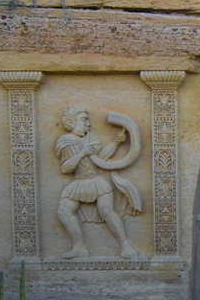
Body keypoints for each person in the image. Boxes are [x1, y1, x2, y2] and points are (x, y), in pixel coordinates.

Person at [55, 107, 143, 259]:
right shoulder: (65, 141)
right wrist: (83, 153)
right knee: (64, 211)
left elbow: (99, 159)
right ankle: (79, 247)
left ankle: (126, 246)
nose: (88, 124)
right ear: (71, 122)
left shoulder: (91, 138)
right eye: (84, 119)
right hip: (78, 183)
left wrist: (116, 143)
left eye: (88, 119)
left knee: (107, 212)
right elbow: (65, 168)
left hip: (96, 182)